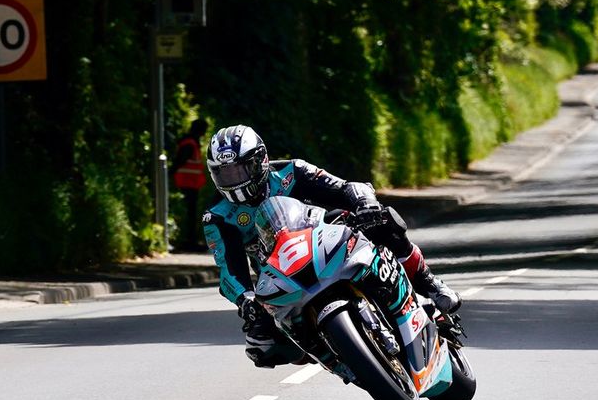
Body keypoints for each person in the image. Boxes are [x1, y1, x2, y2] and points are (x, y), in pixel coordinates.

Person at [202, 124, 462, 368]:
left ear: (260, 161)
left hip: (326, 241)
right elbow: (229, 270)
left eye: (239, 170)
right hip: (280, 273)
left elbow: (345, 188)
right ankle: (335, 357)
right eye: (224, 173)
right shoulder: (218, 217)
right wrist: (245, 299)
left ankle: (429, 283)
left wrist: (365, 203)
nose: (233, 180)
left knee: (383, 221)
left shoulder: (292, 171)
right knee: (262, 342)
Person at [172, 118, 208, 250]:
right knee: (188, 214)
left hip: (190, 183)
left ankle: (189, 240)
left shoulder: (191, 142)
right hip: (186, 183)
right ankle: (188, 241)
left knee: (191, 213)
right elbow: (179, 162)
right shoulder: (189, 144)